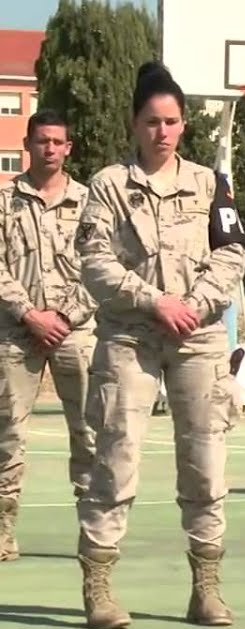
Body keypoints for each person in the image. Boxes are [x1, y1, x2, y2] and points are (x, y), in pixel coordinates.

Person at [73, 61, 245, 629]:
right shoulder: (106, 185)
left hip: (198, 338)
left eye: (172, 122)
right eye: (152, 122)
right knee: (116, 457)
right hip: (131, 336)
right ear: (135, 125)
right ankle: (99, 589)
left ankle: (207, 589)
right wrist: (155, 301)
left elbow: (233, 252)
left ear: (183, 127)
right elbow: (95, 262)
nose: (163, 132)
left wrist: (194, 303)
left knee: (205, 461)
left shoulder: (209, 183)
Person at [0, 110, 98, 561]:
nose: (50, 149)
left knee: (91, 434)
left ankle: (95, 532)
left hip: (75, 334)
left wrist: (62, 316)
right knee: (6, 435)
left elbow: (103, 267)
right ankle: (2, 533)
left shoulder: (91, 202)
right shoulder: (5, 200)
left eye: (58, 142)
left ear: (69, 148)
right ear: (28, 144)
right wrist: (29, 314)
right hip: (16, 334)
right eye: (42, 141)